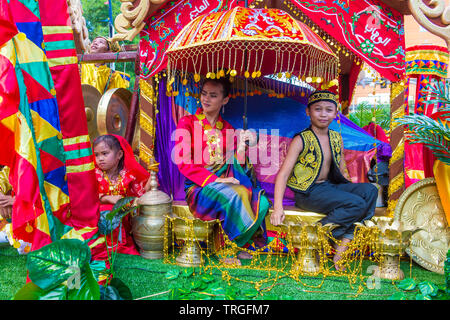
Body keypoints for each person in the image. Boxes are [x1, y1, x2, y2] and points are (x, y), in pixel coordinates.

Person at [270, 90, 378, 270]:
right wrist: (278, 208)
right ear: (308, 112)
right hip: (308, 193)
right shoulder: (301, 139)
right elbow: (283, 174)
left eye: (329, 110)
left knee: (370, 192)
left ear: (336, 114)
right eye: (317, 109)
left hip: (329, 187)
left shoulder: (336, 138)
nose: (323, 114)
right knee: (357, 204)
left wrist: (350, 191)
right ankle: (319, 239)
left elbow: (342, 169)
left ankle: (342, 240)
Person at [174, 77, 270, 265]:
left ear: (225, 100)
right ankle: (226, 248)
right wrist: (214, 180)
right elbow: (183, 163)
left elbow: (238, 165)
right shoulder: (187, 122)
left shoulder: (229, 129)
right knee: (235, 195)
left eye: (213, 95)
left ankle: (239, 244)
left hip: (228, 183)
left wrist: (242, 145)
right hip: (198, 188)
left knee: (262, 202)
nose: (206, 99)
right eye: (204, 94)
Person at [92, 134, 151, 259]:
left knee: (117, 211)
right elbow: (87, 196)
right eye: (96, 155)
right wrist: (106, 198)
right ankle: (103, 245)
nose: (100, 159)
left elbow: (139, 195)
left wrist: (152, 178)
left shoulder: (128, 176)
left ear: (119, 155)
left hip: (123, 218)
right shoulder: (94, 175)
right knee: (107, 210)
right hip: (97, 216)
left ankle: (119, 245)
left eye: (104, 153)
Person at [0, 166, 31, 253]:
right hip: (17, 216)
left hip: (40, 219)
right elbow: (3, 178)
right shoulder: (15, 164)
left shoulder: (47, 166)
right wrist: (2, 199)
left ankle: (8, 234)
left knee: (22, 244)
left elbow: (48, 199)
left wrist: (18, 201)